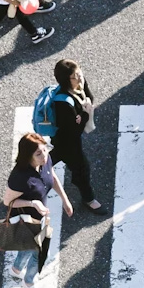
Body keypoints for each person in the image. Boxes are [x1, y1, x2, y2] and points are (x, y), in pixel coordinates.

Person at [1, 133, 68, 288]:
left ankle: (16, 270)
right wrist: (33, 203)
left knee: (31, 247)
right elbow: (8, 202)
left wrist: (65, 200)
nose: (44, 156)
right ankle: (29, 282)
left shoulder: (45, 161)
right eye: (38, 154)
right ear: (27, 155)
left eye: (45, 150)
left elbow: (52, 176)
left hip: (41, 217)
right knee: (39, 253)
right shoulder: (19, 177)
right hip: (25, 219)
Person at [47, 59, 104, 212]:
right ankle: (89, 199)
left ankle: (30, 171)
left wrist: (82, 114)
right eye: (75, 76)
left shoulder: (78, 85)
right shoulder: (64, 104)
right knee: (81, 167)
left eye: (79, 73)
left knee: (50, 159)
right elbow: (74, 132)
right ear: (66, 80)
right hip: (67, 140)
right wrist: (84, 114)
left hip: (64, 138)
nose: (79, 78)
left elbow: (89, 98)